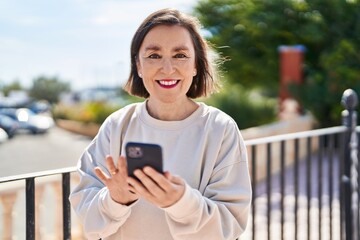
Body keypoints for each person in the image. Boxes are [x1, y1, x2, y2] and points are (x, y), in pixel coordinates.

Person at [69, 8, 252, 240]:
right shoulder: (116, 125)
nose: (167, 69)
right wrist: (115, 199)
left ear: (196, 65)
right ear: (138, 65)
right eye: (154, 56)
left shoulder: (220, 129)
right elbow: (88, 220)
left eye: (180, 55)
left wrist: (180, 202)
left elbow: (230, 225)